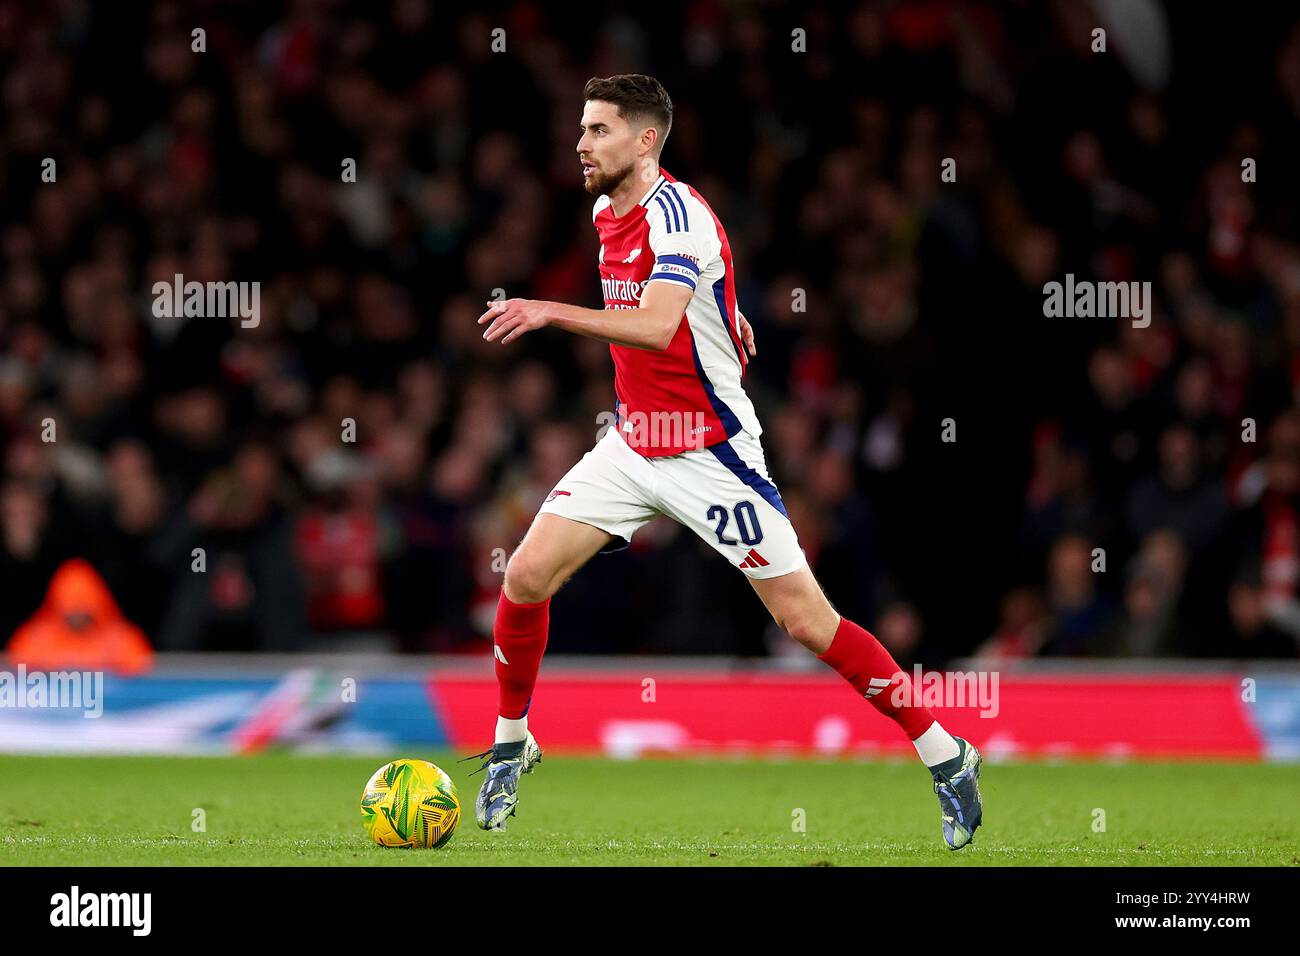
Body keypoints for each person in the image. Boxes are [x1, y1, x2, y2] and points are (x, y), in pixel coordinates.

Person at [469, 75, 982, 849]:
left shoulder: (681, 214)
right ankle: (512, 740)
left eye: (598, 130)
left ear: (645, 140)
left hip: (712, 456)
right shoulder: (608, 209)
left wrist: (549, 309)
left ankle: (947, 755)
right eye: (581, 128)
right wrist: (726, 304)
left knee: (808, 622)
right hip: (636, 442)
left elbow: (655, 320)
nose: (581, 143)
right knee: (525, 577)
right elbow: (688, 295)